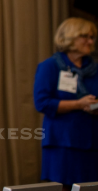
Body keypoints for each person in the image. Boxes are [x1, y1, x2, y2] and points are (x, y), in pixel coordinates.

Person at [34, 16, 98, 188]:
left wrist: (93, 106)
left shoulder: (95, 69)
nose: (90, 41)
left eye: (92, 37)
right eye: (85, 36)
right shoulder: (50, 66)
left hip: (92, 144)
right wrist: (78, 104)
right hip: (62, 145)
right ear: (69, 37)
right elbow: (42, 103)